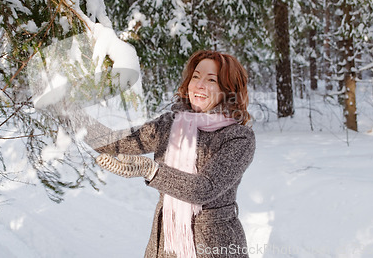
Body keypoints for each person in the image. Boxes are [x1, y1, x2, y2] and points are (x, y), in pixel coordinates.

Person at [94, 50, 255, 258]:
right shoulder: (170, 124)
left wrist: (150, 170)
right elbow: (118, 141)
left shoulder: (238, 137)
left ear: (228, 89)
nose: (199, 85)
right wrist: (68, 116)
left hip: (215, 244)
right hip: (165, 243)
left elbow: (204, 189)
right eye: (195, 77)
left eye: (211, 80)